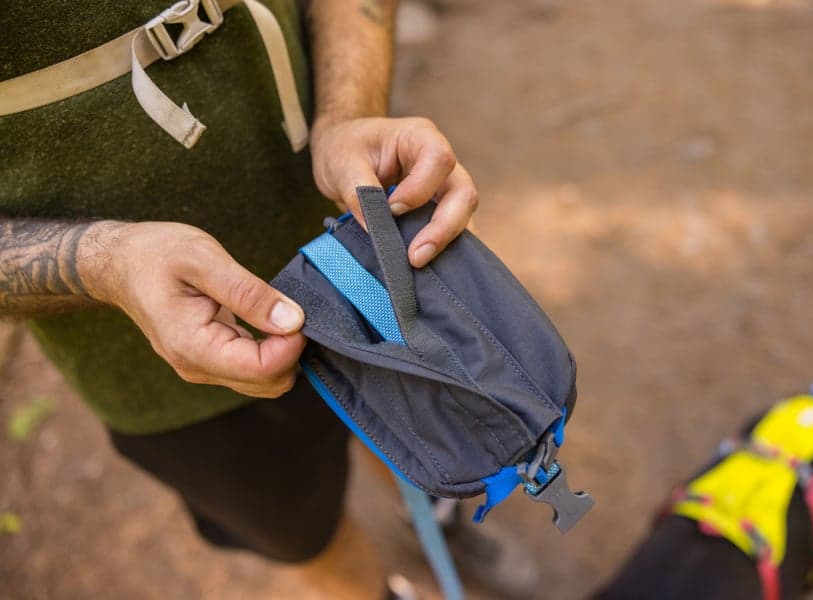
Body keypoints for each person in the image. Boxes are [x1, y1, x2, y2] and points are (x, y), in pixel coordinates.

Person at [0, 0, 477, 597]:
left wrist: (347, 114)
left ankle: (442, 507)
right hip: (164, 373)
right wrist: (104, 264)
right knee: (304, 533)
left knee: (419, 418)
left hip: (357, 250)